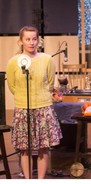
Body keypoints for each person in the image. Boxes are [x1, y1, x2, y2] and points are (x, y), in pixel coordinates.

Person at [6, 26, 63, 179]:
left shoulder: (47, 59)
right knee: (25, 149)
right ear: (21, 41)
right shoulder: (14, 62)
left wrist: (44, 96)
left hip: (44, 108)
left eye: (34, 39)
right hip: (23, 109)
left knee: (44, 148)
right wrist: (23, 98)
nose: (31, 43)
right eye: (27, 39)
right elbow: (12, 85)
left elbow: (50, 83)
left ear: (38, 40)